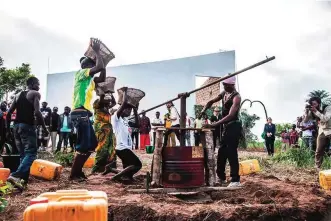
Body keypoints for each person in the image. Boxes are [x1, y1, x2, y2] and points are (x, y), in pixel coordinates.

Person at [69, 38, 106, 181]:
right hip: (79, 112)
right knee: (84, 144)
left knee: (92, 144)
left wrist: (103, 65)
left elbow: (101, 77)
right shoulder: (81, 73)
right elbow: (98, 68)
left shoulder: (89, 80)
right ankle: (74, 174)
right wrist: (97, 52)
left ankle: (78, 172)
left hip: (84, 114)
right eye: (90, 63)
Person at [6, 77, 49, 190]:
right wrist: (44, 127)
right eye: (38, 84)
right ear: (33, 84)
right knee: (31, 154)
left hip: (16, 127)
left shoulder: (18, 95)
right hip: (27, 127)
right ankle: (15, 176)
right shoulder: (35, 93)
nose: (39, 87)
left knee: (23, 155)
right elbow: (37, 112)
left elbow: (9, 112)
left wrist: (7, 129)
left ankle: (22, 183)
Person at [202, 75, 242, 187]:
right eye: (223, 85)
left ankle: (235, 180)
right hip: (226, 127)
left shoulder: (236, 97)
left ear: (232, 85)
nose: (224, 87)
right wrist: (204, 109)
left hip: (234, 126)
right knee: (221, 152)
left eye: (226, 85)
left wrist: (215, 124)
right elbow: (211, 101)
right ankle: (221, 177)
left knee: (231, 152)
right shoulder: (224, 93)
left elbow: (231, 115)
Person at [111, 88, 142, 181]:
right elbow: (124, 104)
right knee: (137, 165)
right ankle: (115, 178)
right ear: (122, 109)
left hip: (127, 148)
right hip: (122, 148)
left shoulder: (126, 120)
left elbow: (137, 124)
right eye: (127, 109)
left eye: (130, 110)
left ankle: (113, 171)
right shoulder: (116, 119)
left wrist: (135, 110)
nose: (129, 111)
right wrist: (125, 92)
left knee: (128, 171)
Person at [304, 97, 331, 169]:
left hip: (330, 129)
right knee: (318, 150)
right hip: (322, 130)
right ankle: (317, 168)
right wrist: (306, 112)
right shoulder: (312, 110)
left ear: (319, 103)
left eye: (315, 104)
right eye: (312, 104)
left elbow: (326, 118)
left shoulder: (328, 108)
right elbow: (305, 121)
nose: (313, 106)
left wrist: (316, 111)